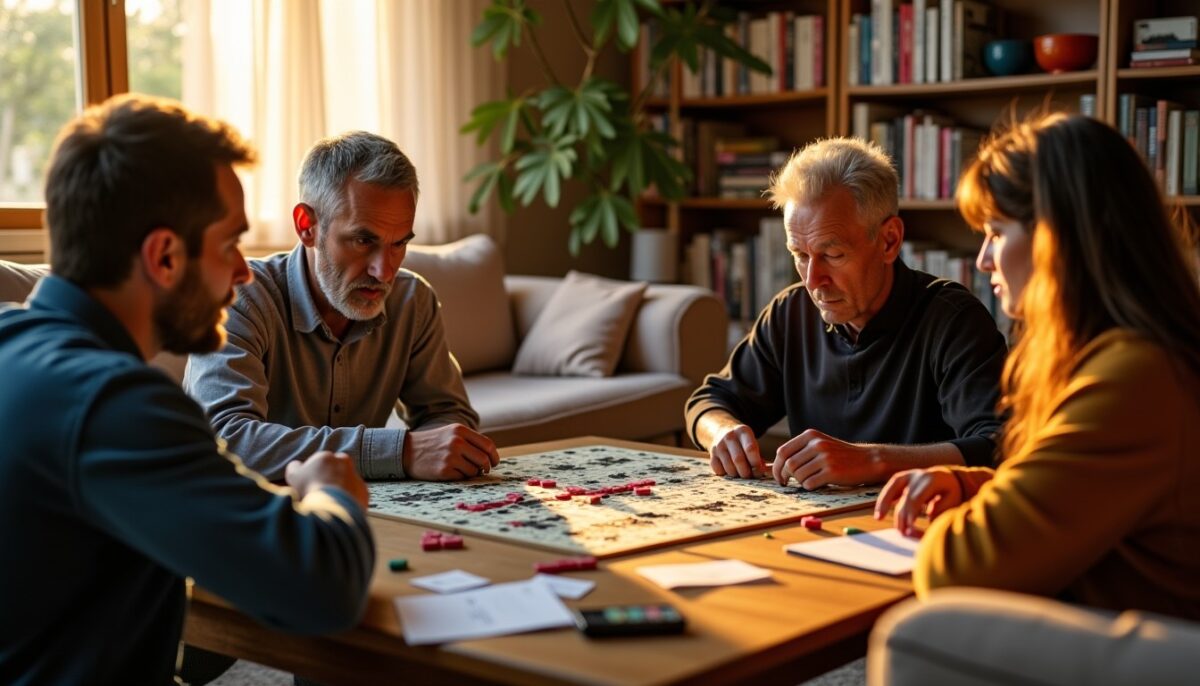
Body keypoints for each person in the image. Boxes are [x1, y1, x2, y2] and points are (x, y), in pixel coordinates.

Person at [0, 94, 375, 684]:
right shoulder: (116, 403)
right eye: (229, 244)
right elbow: (321, 587)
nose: (244, 271)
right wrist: (332, 492)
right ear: (165, 257)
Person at [874, 113, 1200, 618]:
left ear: (1059, 238)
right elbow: (1096, 498)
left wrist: (962, 520)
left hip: (1148, 652)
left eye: (997, 232)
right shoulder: (1137, 354)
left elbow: (957, 568)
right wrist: (972, 486)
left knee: (916, 631)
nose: (984, 259)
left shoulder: (1131, 377)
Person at [685, 137, 1007, 489]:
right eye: (800, 254)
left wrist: (871, 460)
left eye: (833, 255)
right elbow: (710, 401)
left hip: (920, 525)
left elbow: (997, 446)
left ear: (889, 241)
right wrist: (723, 432)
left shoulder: (953, 319)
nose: (812, 281)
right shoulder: (790, 312)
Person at [184, 131, 499, 483]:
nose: (385, 271)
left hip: (366, 511)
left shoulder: (413, 301)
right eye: (364, 240)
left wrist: (444, 446)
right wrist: (402, 452)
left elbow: (448, 416)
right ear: (307, 227)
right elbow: (226, 439)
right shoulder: (240, 297)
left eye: (399, 244)